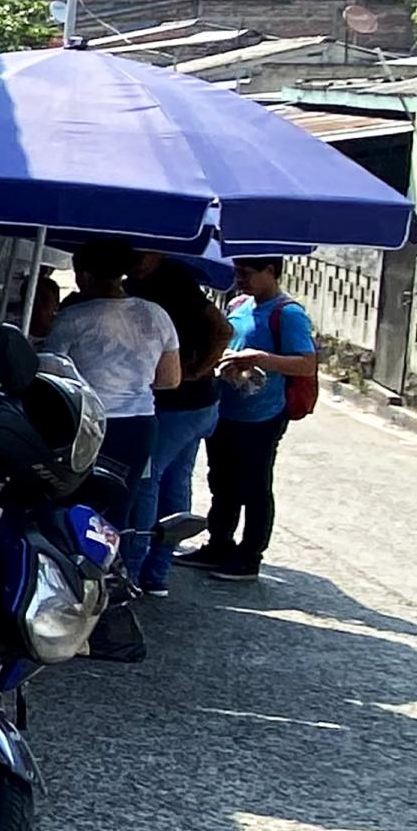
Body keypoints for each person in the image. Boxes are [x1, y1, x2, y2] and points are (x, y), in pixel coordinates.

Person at [185, 258, 318, 584]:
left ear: (270, 272)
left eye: (247, 274)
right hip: (227, 407)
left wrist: (258, 359)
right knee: (222, 481)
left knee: (255, 485)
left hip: (263, 414)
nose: (240, 280)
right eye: (238, 273)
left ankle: (249, 556)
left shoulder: (288, 314)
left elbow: (306, 364)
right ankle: (219, 544)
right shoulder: (239, 304)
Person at [42, 239, 181, 533]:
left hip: (86, 425)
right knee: (118, 512)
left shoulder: (74, 318)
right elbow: (170, 379)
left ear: (86, 276)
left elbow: (51, 374)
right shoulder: (156, 315)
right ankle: (115, 574)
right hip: (139, 426)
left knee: (73, 509)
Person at [127, 254, 230, 597]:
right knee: (174, 481)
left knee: (148, 479)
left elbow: (222, 329)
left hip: (183, 403)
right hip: (194, 403)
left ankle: (135, 569)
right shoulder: (146, 281)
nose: (135, 259)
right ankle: (156, 573)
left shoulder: (174, 281)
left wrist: (198, 370)